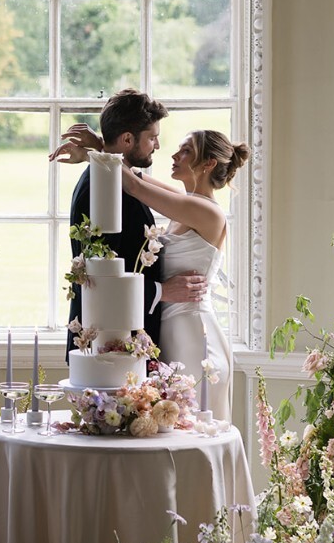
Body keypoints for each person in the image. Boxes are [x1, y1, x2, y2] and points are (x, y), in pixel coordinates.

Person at [56, 122, 250, 422]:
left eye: (186, 151)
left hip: (191, 331)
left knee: (189, 421)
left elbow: (134, 186)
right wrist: (99, 145)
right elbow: (135, 176)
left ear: (208, 163)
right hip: (170, 326)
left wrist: (96, 151)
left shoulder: (207, 212)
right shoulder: (188, 202)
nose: (173, 154)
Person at [50, 89, 208, 362]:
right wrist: (162, 290)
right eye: (152, 138)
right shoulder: (102, 190)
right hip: (109, 345)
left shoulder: (114, 180)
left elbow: (133, 179)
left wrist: (98, 148)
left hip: (123, 339)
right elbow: (100, 274)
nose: (157, 146)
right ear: (127, 139)